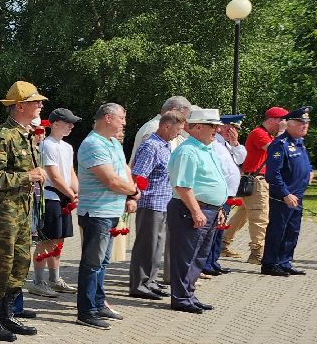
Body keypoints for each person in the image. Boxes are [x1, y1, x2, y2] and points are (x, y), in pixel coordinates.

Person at [0, 82, 46, 341]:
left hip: (22, 208)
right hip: (4, 211)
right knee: (0, 263)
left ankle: (7, 315)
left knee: (20, 262)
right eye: (35, 101)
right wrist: (27, 176)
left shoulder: (26, 135)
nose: (40, 105)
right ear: (20, 106)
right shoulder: (3, 136)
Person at [71, 103, 137, 329]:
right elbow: (110, 180)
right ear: (107, 118)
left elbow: (124, 171)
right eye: (121, 118)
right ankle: (86, 311)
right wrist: (134, 191)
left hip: (110, 211)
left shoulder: (112, 142)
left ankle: (99, 303)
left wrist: (129, 195)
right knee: (92, 262)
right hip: (97, 212)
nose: (124, 123)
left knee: (102, 262)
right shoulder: (92, 144)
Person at [166, 108, 227, 312]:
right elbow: (183, 186)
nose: (217, 130)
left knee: (199, 256)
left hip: (206, 209)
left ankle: (188, 294)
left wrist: (217, 207)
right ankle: (181, 298)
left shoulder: (205, 148)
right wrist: (196, 210)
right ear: (198, 127)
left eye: (218, 126)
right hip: (190, 209)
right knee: (186, 256)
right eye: (213, 126)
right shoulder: (188, 151)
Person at [128, 110, 184, 299]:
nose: (179, 133)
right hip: (150, 202)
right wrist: (134, 197)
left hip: (162, 202)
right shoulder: (151, 146)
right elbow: (139, 175)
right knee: (147, 245)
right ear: (166, 125)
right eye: (178, 129)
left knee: (157, 246)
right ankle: (139, 284)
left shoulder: (165, 145)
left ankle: (149, 281)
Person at [224, 106, 284, 264]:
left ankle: (222, 243)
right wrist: (283, 133)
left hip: (255, 181)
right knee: (260, 217)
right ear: (271, 121)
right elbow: (275, 151)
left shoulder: (266, 134)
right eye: (281, 121)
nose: (284, 124)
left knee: (242, 215)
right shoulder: (259, 133)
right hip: (256, 181)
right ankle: (256, 253)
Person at [32, 108, 80, 297]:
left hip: (65, 198)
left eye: (72, 123)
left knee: (59, 239)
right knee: (46, 240)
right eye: (67, 122)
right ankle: (37, 281)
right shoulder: (47, 145)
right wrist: (70, 193)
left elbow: (70, 172)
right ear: (55, 123)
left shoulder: (67, 147)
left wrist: (77, 192)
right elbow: (54, 174)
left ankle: (55, 278)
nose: (71, 126)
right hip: (51, 197)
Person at [261, 106, 313, 277]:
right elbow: (273, 174)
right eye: (300, 123)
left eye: (306, 123)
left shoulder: (299, 143)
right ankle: (270, 263)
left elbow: (304, 163)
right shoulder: (280, 144)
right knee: (278, 229)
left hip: (297, 196)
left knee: (292, 230)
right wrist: (285, 193)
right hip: (283, 197)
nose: (305, 126)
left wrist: (309, 171)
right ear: (289, 124)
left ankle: (284, 262)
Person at [198, 116, 246, 276]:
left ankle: (213, 260)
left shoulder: (226, 144)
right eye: (228, 128)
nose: (231, 132)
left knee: (219, 229)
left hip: (228, 193)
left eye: (234, 130)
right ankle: (206, 263)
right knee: (214, 229)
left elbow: (241, 158)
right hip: (219, 192)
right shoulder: (214, 143)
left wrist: (235, 143)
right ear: (220, 127)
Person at [129, 95, 191, 165]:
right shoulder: (153, 127)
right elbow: (142, 165)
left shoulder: (163, 127)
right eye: (183, 116)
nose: (184, 120)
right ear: (174, 111)